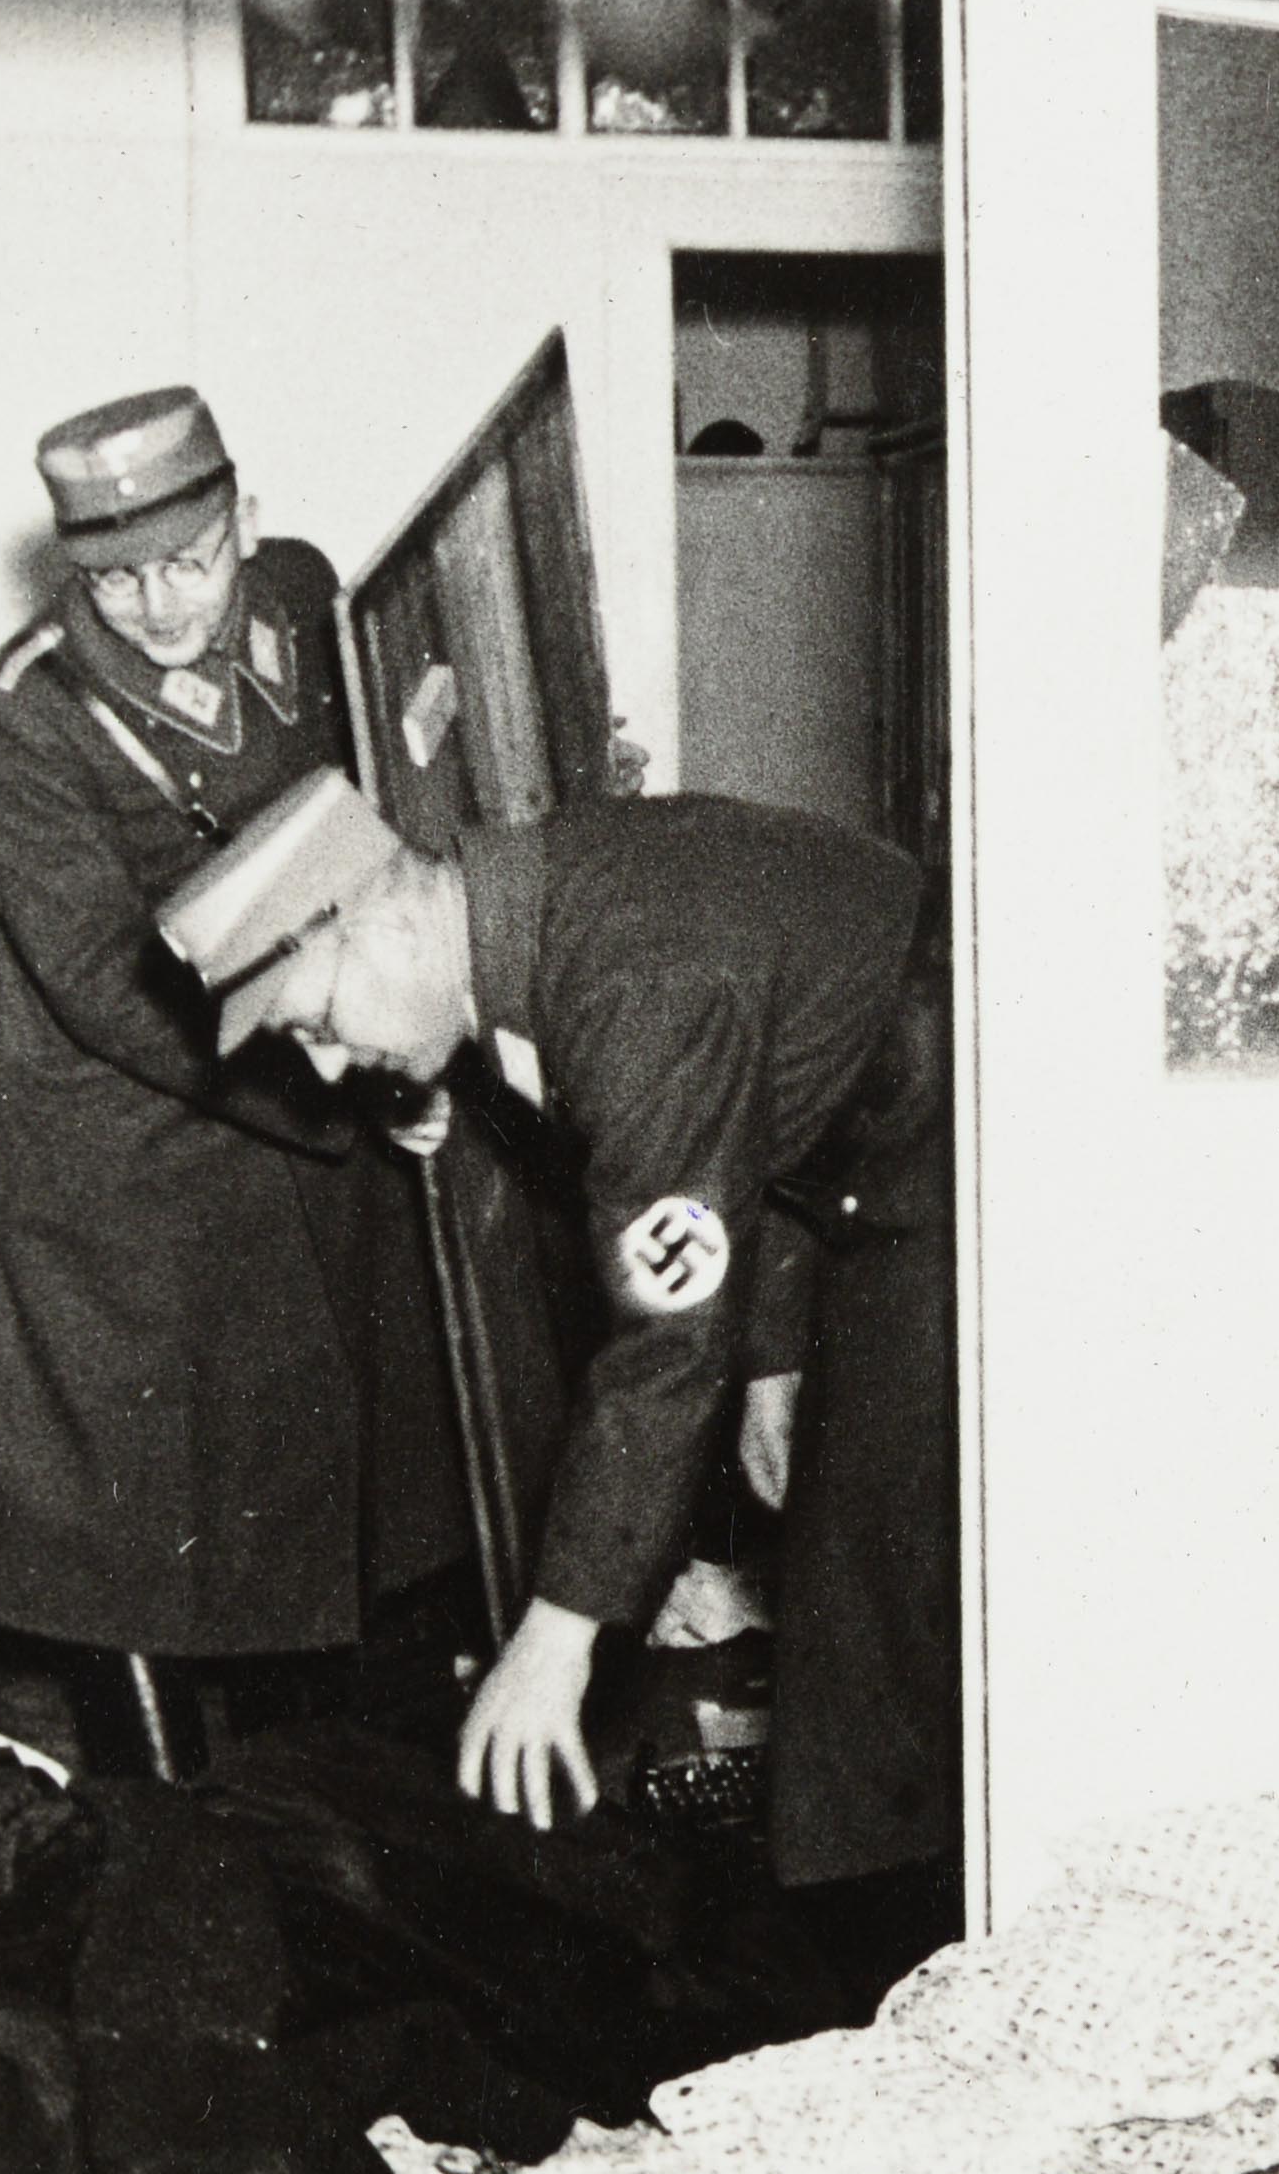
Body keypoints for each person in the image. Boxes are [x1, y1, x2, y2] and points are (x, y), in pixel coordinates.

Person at [157, 764, 963, 2011]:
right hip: (878, 1139)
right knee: (860, 1621)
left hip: (961, 1132)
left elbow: (661, 1345)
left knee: (879, 1625)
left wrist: (557, 1632)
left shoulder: (625, 983)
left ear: (384, 920)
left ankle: (905, 1995)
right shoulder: (533, 909)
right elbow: (756, 1119)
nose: (325, 1070)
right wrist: (777, 1354)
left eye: (314, 1022)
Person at [0, 388, 471, 1785]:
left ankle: (305, 1825)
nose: (161, 606)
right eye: (117, 579)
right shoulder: (26, 713)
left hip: (290, 1077)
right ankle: (158, 1834)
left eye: (189, 561)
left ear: (246, 520)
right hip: (114, 1146)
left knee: (308, 1505)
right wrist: (345, 1087)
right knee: (132, 1537)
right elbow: (108, 983)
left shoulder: (302, 598)